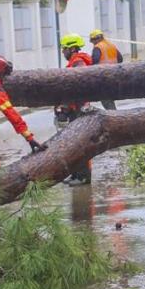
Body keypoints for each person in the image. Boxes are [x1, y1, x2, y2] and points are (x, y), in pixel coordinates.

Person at [57, 35, 93, 184]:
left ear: (72, 48)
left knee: (79, 143)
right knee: (72, 143)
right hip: (75, 109)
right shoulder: (75, 62)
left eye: (64, 49)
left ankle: (83, 176)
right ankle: (76, 173)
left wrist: (65, 107)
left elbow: (76, 87)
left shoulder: (78, 63)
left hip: (78, 109)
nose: (62, 52)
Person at [88, 30, 122, 110]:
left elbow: (95, 61)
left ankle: (113, 116)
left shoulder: (98, 47)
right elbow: (120, 59)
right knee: (108, 98)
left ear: (95, 39)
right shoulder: (111, 45)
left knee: (105, 98)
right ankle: (114, 114)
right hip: (114, 75)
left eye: (92, 41)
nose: (93, 43)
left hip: (103, 76)